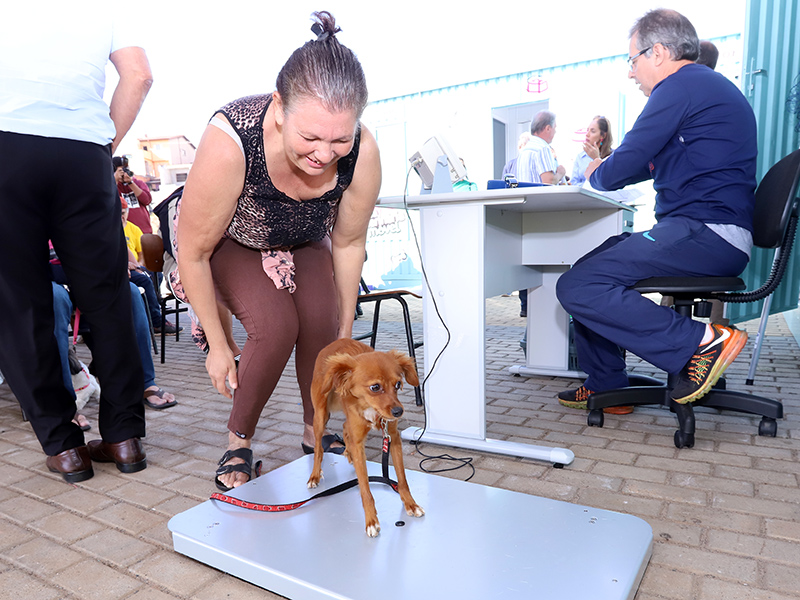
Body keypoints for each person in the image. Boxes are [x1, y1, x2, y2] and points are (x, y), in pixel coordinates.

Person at [175, 11, 381, 492]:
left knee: (321, 326)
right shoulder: (233, 139)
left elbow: (349, 243)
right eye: (309, 137)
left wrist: (346, 330)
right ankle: (239, 439)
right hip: (234, 242)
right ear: (279, 108)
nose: (325, 154)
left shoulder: (363, 152)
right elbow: (194, 249)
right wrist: (219, 344)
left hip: (306, 239)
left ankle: (316, 431)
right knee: (275, 325)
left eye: (339, 139)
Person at [555, 9, 756, 413]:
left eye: (633, 60)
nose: (631, 73)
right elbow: (648, 163)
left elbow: (627, 159)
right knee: (588, 268)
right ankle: (607, 385)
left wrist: (596, 173)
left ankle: (701, 342)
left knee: (578, 287)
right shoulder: (702, 89)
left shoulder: (681, 86)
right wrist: (613, 170)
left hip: (707, 232)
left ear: (659, 52)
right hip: (703, 231)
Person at [0, 5, 152, 483]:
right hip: (83, 152)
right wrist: (100, 145)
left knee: (19, 304)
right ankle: (124, 438)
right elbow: (139, 76)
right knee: (106, 296)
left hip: (6, 143)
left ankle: (64, 447)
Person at [122, 196, 181, 334]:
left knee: (152, 275)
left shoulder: (133, 228)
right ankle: (155, 320)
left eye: (123, 213)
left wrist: (138, 266)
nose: (121, 217)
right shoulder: (109, 228)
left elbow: (139, 254)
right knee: (144, 280)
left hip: (134, 265)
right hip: (116, 271)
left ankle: (154, 307)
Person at [516, 110, 567, 185]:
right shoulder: (542, 148)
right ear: (548, 128)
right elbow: (548, 182)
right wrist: (560, 173)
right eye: (554, 128)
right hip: (540, 196)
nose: (555, 132)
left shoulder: (524, 151)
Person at [113, 156, 153, 234]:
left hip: (143, 231)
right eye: (120, 171)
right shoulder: (113, 187)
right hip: (124, 232)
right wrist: (115, 180)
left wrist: (130, 183)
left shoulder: (138, 183)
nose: (123, 174)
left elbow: (147, 200)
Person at [570, 116, 614, 187]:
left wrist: (596, 159)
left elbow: (608, 182)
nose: (587, 134)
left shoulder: (612, 156)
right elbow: (573, 183)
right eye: (587, 130)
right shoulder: (581, 157)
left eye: (592, 131)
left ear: (603, 136)